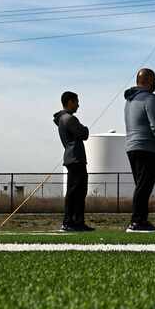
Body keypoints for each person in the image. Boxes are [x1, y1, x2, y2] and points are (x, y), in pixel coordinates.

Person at [123, 68, 155, 233]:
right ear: (148, 80)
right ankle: (137, 221)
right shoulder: (149, 99)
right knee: (144, 186)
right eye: (154, 80)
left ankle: (141, 219)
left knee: (141, 185)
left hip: (131, 147)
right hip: (147, 147)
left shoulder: (130, 101)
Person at [53, 91, 93, 232]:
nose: (78, 105)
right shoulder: (69, 119)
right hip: (76, 159)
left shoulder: (62, 119)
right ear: (69, 102)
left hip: (72, 158)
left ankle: (77, 222)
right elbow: (84, 134)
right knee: (76, 191)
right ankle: (70, 221)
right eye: (76, 101)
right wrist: (85, 129)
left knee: (78, 191)